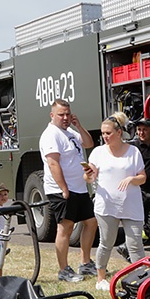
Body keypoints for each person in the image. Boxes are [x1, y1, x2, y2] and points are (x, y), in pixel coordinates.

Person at [86, 113, 147, 292]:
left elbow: (142, 177)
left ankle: (141, 279)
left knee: (135, 243)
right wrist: (89, 175)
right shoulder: (98, 153)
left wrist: (131, 179)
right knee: (106, 242)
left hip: (131, 205)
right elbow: (89, 177)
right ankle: (101, 278)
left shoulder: (133, 152)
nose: (105, 136)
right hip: (107, 206)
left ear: (119, 132)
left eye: (108, 133)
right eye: (103, 133)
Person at [39, 99, 97, 283]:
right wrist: (64, 188)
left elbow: (88, 144)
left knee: (91, 221)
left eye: (67, 114)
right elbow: (53, 163)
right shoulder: (51, 135)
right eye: (61, 114)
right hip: (62, 190)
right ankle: (63, 269)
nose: (65, 118)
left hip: (79, 187)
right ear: (52, 115)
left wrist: (79, 126)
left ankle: (85, 262)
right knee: (66, 227)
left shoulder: (70, 132)